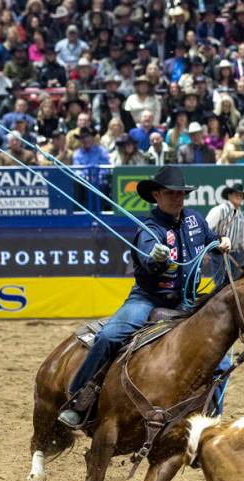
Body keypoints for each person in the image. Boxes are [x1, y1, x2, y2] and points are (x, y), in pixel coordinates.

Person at [57, 166, 231, 427]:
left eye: (181, 193)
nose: (178, 198)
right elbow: (148, 259)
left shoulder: (195, 220)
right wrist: (157, 259)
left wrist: (222, 241)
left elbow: (211, 241)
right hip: (148, 299)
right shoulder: (149, 229)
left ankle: (212, 415)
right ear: (157, 195)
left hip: (186, 304)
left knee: (223, 359)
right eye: (171, 193)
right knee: (109, 336)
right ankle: (79, 399)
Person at [205, 182, 244, 270]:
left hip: (235, 254)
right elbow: (205, 228)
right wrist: (204, 250)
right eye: (236, 194)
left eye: (241, 195)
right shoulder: (219, 210)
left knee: (236, 282)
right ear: (229, 195)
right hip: (219, 253)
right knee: (221, 283)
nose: (239, 196)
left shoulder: (241, 215)